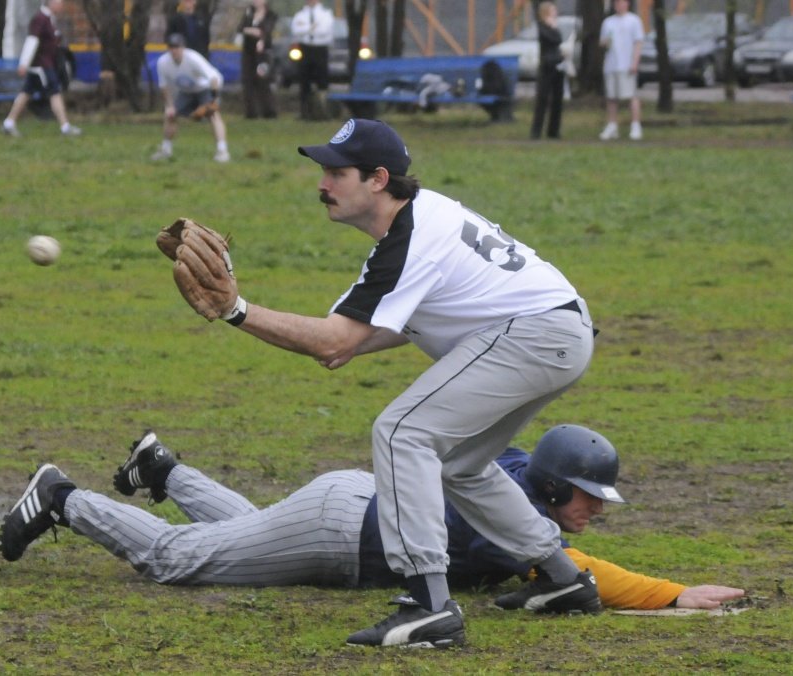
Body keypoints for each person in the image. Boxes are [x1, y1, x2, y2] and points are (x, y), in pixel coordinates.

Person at [162, 117, 605, 648]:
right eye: (323, 170)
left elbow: (332, 341)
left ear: (377, 178)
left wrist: (236, 310)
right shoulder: (416, 224)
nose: (322, 184)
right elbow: (343, 342)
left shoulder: (412, 239)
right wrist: (299, 331)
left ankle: (428, 604)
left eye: (336, 172)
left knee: (401, 432)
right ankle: (562, 579)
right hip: (554, 331)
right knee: (459, 464)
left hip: (534, 334)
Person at [0, 425, 745, 621]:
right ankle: (62, 497)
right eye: (584, 498)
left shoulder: (512, 471)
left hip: (351, 504)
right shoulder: (515, 514)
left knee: (248, 532)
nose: (591, 512)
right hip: (336, 535)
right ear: (550, 489)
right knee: (178, 561)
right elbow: (576, 572)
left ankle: (163, 471)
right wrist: (672, 594)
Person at [1, 0, 81, 138]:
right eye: (59, 2)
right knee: (55, 92)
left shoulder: (50, 19)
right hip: (42, 66)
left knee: (26, 93)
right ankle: (65, 126)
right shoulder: (40, 19)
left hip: (43, 65)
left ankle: (9, 123)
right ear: (51, 3)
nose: (62, 5)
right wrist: (24, 63)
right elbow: (32, 41)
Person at [151, 32, 230, 163]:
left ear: (183, 48)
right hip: (186, 91)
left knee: (213, 115)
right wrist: (170, 106)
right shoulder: (163, 62)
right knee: (170, 115)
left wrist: (214, 100)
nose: (174, 50)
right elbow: (163, 86)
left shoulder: (193, 58)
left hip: (205, 88)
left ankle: (222, 151)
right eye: (171, 47)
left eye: (177, 47)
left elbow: (214, 78)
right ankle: (166, 150)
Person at [599, 0, 644, 141]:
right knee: (612, 97)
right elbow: (602, 42)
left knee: (631, 96)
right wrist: (606, 42)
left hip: (627, 64)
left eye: (622, 3)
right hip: (611, 65)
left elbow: (638, 42)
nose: (620, 5)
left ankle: (636, 125)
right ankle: (612, 125)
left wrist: (634, 62)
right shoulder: (608, 22)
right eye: (617, 3)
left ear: (627, 4)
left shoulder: (634, 20)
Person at [290, 0, 334, 120]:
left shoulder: (326, 14)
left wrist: (305, 28)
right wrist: (312, 27)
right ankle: (305, 112)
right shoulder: (300, 15)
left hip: (320, 49)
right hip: (305, 49)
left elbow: (324, 30)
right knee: (304, 81)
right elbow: (296, 30)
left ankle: (323, 111)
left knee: (322, 81)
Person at [236, 0, 278, 119]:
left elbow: (266, 30)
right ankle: (251, 112)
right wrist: (250, 30)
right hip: (248, 51)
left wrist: (261, 38)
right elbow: (241, 28)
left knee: (263, 80)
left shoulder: (270, 15)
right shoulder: (248, 12)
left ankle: (269, 111)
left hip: (262, 52)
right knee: (247, 80)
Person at [530, 2, 566, 140]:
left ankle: (554, 130)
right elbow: (554, 39)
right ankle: (536, 131)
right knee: (542, 99)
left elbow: (559, 40)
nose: (555, 12)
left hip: (557, 64)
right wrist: (552, 27)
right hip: (546, 66)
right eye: (553, 10)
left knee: (558, 98)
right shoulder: (542, 27)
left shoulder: (555, 26)